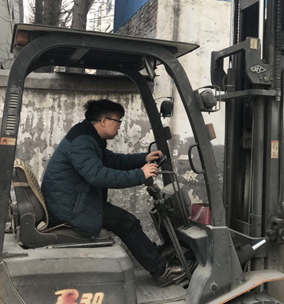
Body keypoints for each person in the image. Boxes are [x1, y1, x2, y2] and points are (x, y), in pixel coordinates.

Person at [41, 99, 185, 286]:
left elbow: (113, 160)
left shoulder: (88, 138)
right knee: (127, 223)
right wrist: (140, 175)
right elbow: (99, 176)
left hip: (75, 201)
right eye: (118, 121)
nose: (119, 126)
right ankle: (162, 271)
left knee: (126, 221)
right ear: (103, 121)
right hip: (70, 208)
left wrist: (143, 158)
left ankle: (155, 256)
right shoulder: (82, 143)